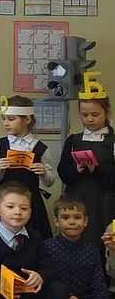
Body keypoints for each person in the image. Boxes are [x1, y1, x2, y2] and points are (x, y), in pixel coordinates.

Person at [46, 196, 115, 299]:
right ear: (56, 221)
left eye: (77, 217)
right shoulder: (47, 247)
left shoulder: (92, 250)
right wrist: (67, 296)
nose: (72, 222)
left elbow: (99, 285)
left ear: (85, 221)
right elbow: (47, 281)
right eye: (65, 218)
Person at [0, 96, 54, 239]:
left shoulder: (40, 147)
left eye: (11, 119)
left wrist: (43, 173)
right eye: (4, 119)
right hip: (5, 201)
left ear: (27, 119)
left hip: (31, 202)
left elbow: (50, 182)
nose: (6, 123)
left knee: (33, 239)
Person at [58, 96, 115, 245]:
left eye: (95, 114)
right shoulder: (73, 140)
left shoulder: (112, 141)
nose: (89, 119)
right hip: (76, 200)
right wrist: (76, 169)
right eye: (84, 115)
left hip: (104, 201)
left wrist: (95, 170)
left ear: (106, 112)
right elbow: (63, 173)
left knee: (101, 240)